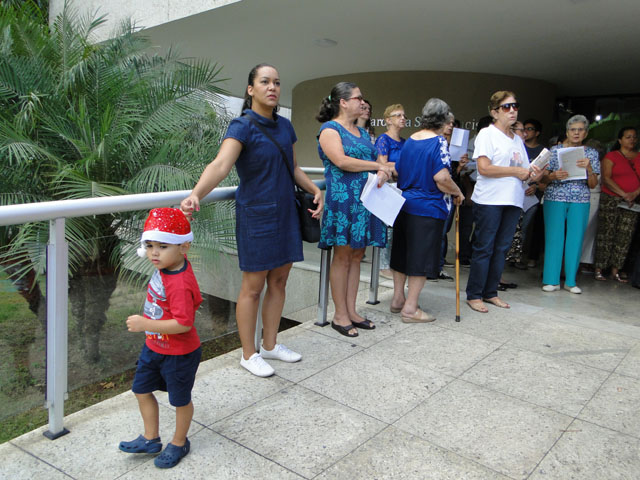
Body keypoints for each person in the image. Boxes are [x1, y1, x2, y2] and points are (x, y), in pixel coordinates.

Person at [181, 64, 323, 377]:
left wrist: (314, 189)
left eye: (277, 82)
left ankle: (270, 344)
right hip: (256, 216)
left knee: (280, 281)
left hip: (286, 213)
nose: (272, 87)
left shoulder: (285, 127)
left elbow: (294, 168)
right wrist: (196, 194)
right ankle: (249, 353)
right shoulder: (242, 125)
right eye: (265, 82)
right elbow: (220, 165)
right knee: (253, 288)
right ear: (251, 89)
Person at [119, 208, 202, 469]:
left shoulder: (179, 282)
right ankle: (150, 438)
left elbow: (183, 323)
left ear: (183, 247)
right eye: (150, 246)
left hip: (179, 353)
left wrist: (146, 324)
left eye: (163, 246)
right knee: (141, 390)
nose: (154, 253)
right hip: (154, 347)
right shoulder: (167, 266)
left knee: (180, 400)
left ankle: (179, 442)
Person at [316, 82, 393, 337]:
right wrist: (377, 166)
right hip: (344, 201)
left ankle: (351, 310)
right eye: (358, 98)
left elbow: (375, 162)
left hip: (366, 200)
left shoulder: (361, 131)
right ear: (343, 102)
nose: (362, 102)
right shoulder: (330, 129)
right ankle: (339, 315)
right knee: (343, 255)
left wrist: (382, 171)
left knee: (358, 254)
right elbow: (341, 161)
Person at [465, 91, 542, 313]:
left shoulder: (517, 139)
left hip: (513, 199)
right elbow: (484, 168)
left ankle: (491, 292)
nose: (512, 111)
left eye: (515, 106)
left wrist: (534, 174)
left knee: (501, 249)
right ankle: (474, 294)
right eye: (506, 107)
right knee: (484, 247)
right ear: (494, 112)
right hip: (490, 199)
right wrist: (516, 171)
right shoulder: (487, 134)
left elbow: (524, 170)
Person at [389, 98, 464, 322]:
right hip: (427, 207)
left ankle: (398, 299)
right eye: (449, 120)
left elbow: (399, 170)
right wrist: (458, 192)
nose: (450, 125)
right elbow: (442, 178)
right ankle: (410, 309)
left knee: (402, 254)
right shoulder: (439, 142)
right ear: (443, 120)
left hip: (404, 205)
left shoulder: (411, 140)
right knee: (420, 260)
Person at [541, 115, 600, 294]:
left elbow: (593, 184)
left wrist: (589, 168)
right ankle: (551, 280)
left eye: (580, 130)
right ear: (567, 132)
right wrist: (553, 176)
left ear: (586, 133)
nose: (576, 133)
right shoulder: (554, 151)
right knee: (554, 238)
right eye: (573, 130)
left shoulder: (591, 154)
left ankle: (571, 281)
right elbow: (542, 179)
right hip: (555, 196)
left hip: (580, 199)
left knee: (576, 238)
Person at [594, 127, 640, 282]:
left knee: (625, 236)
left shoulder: (639, 156)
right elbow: (606, 178)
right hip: (611, 199)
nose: (632, 140)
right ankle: (599, 269)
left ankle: (616, 270)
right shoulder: (611, 156)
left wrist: (634, 194)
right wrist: (624, 194)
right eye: (628, 137)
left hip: (632, 201)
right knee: (606, 233)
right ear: (620, 140)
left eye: (634, 137)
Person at [375, 103, 407, 279]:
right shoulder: (383, 140)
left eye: (404, 115)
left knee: (397, 228)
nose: (402, 118)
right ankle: (383, 265)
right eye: (398, 115)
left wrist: (397, 168)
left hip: (401, 187)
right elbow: (382, 164)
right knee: (387, 227)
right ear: (388, 120)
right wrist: (400, 167)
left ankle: (393, 263)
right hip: (388, 186)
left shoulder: (405, 142)